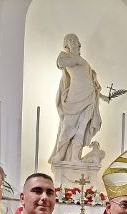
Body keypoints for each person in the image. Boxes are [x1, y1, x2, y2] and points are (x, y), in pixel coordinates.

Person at [48, 33, 112, 164]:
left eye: (74, 39)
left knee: (82, 128)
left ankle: (75, 157)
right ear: (66, 45)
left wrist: (103, 97)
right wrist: (75, 59)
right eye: (69, 40)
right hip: (74, 98)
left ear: (79, 43)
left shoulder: (86, 63)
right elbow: (60, 64)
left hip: (89, 97)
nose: (72, 42)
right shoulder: (65, 56)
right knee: (68, 127)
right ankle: (59, 156)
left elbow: (92, 83)